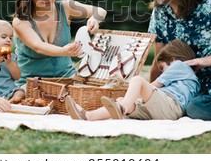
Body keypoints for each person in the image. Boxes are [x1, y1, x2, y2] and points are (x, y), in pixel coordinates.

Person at [12, 0, 107, 88]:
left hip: (66, 80)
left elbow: (100, 11)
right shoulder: (20, 21)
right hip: (31, 84)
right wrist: (64, 51)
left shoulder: (65, 7)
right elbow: (38, 47)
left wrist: (94, 19)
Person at [65, 39, 200, 120]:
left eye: (162, 67)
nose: (162, 72)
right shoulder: (190, 80)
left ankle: (121, 109)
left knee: (138, 80)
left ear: (173, 59)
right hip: (167, 111)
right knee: (120, 101)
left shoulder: (180, 65)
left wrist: (135, 89)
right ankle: (87, 116)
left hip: (171, 104)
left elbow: (154, 85)